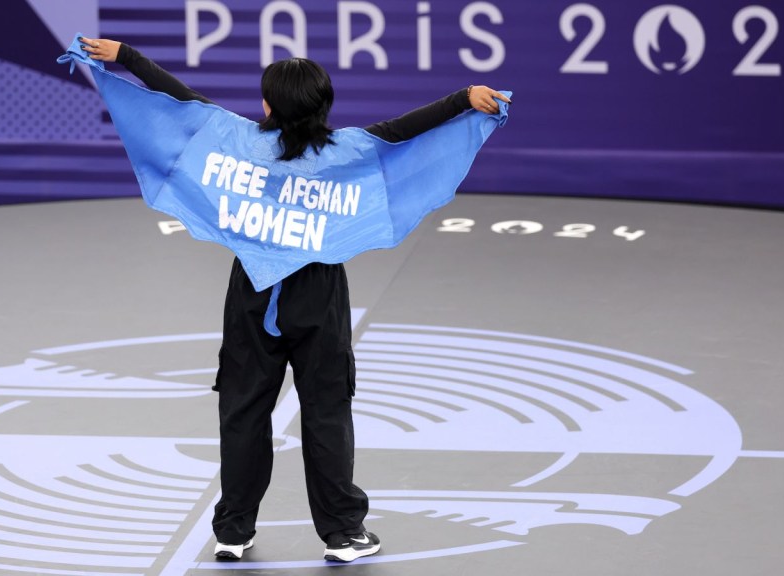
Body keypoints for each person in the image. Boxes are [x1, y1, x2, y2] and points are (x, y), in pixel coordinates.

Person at [78, 36, 509, 563]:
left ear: (266, 106)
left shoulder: (233, 141)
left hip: (252, 297)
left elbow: (178, 102)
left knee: (243, 412)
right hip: (319, 295)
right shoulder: (350, 151)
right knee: (326, 414)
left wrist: (125, 58)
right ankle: (344, 534)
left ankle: (233, 532)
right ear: (324, 105)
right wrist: (465, 98)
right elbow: (407, 130)